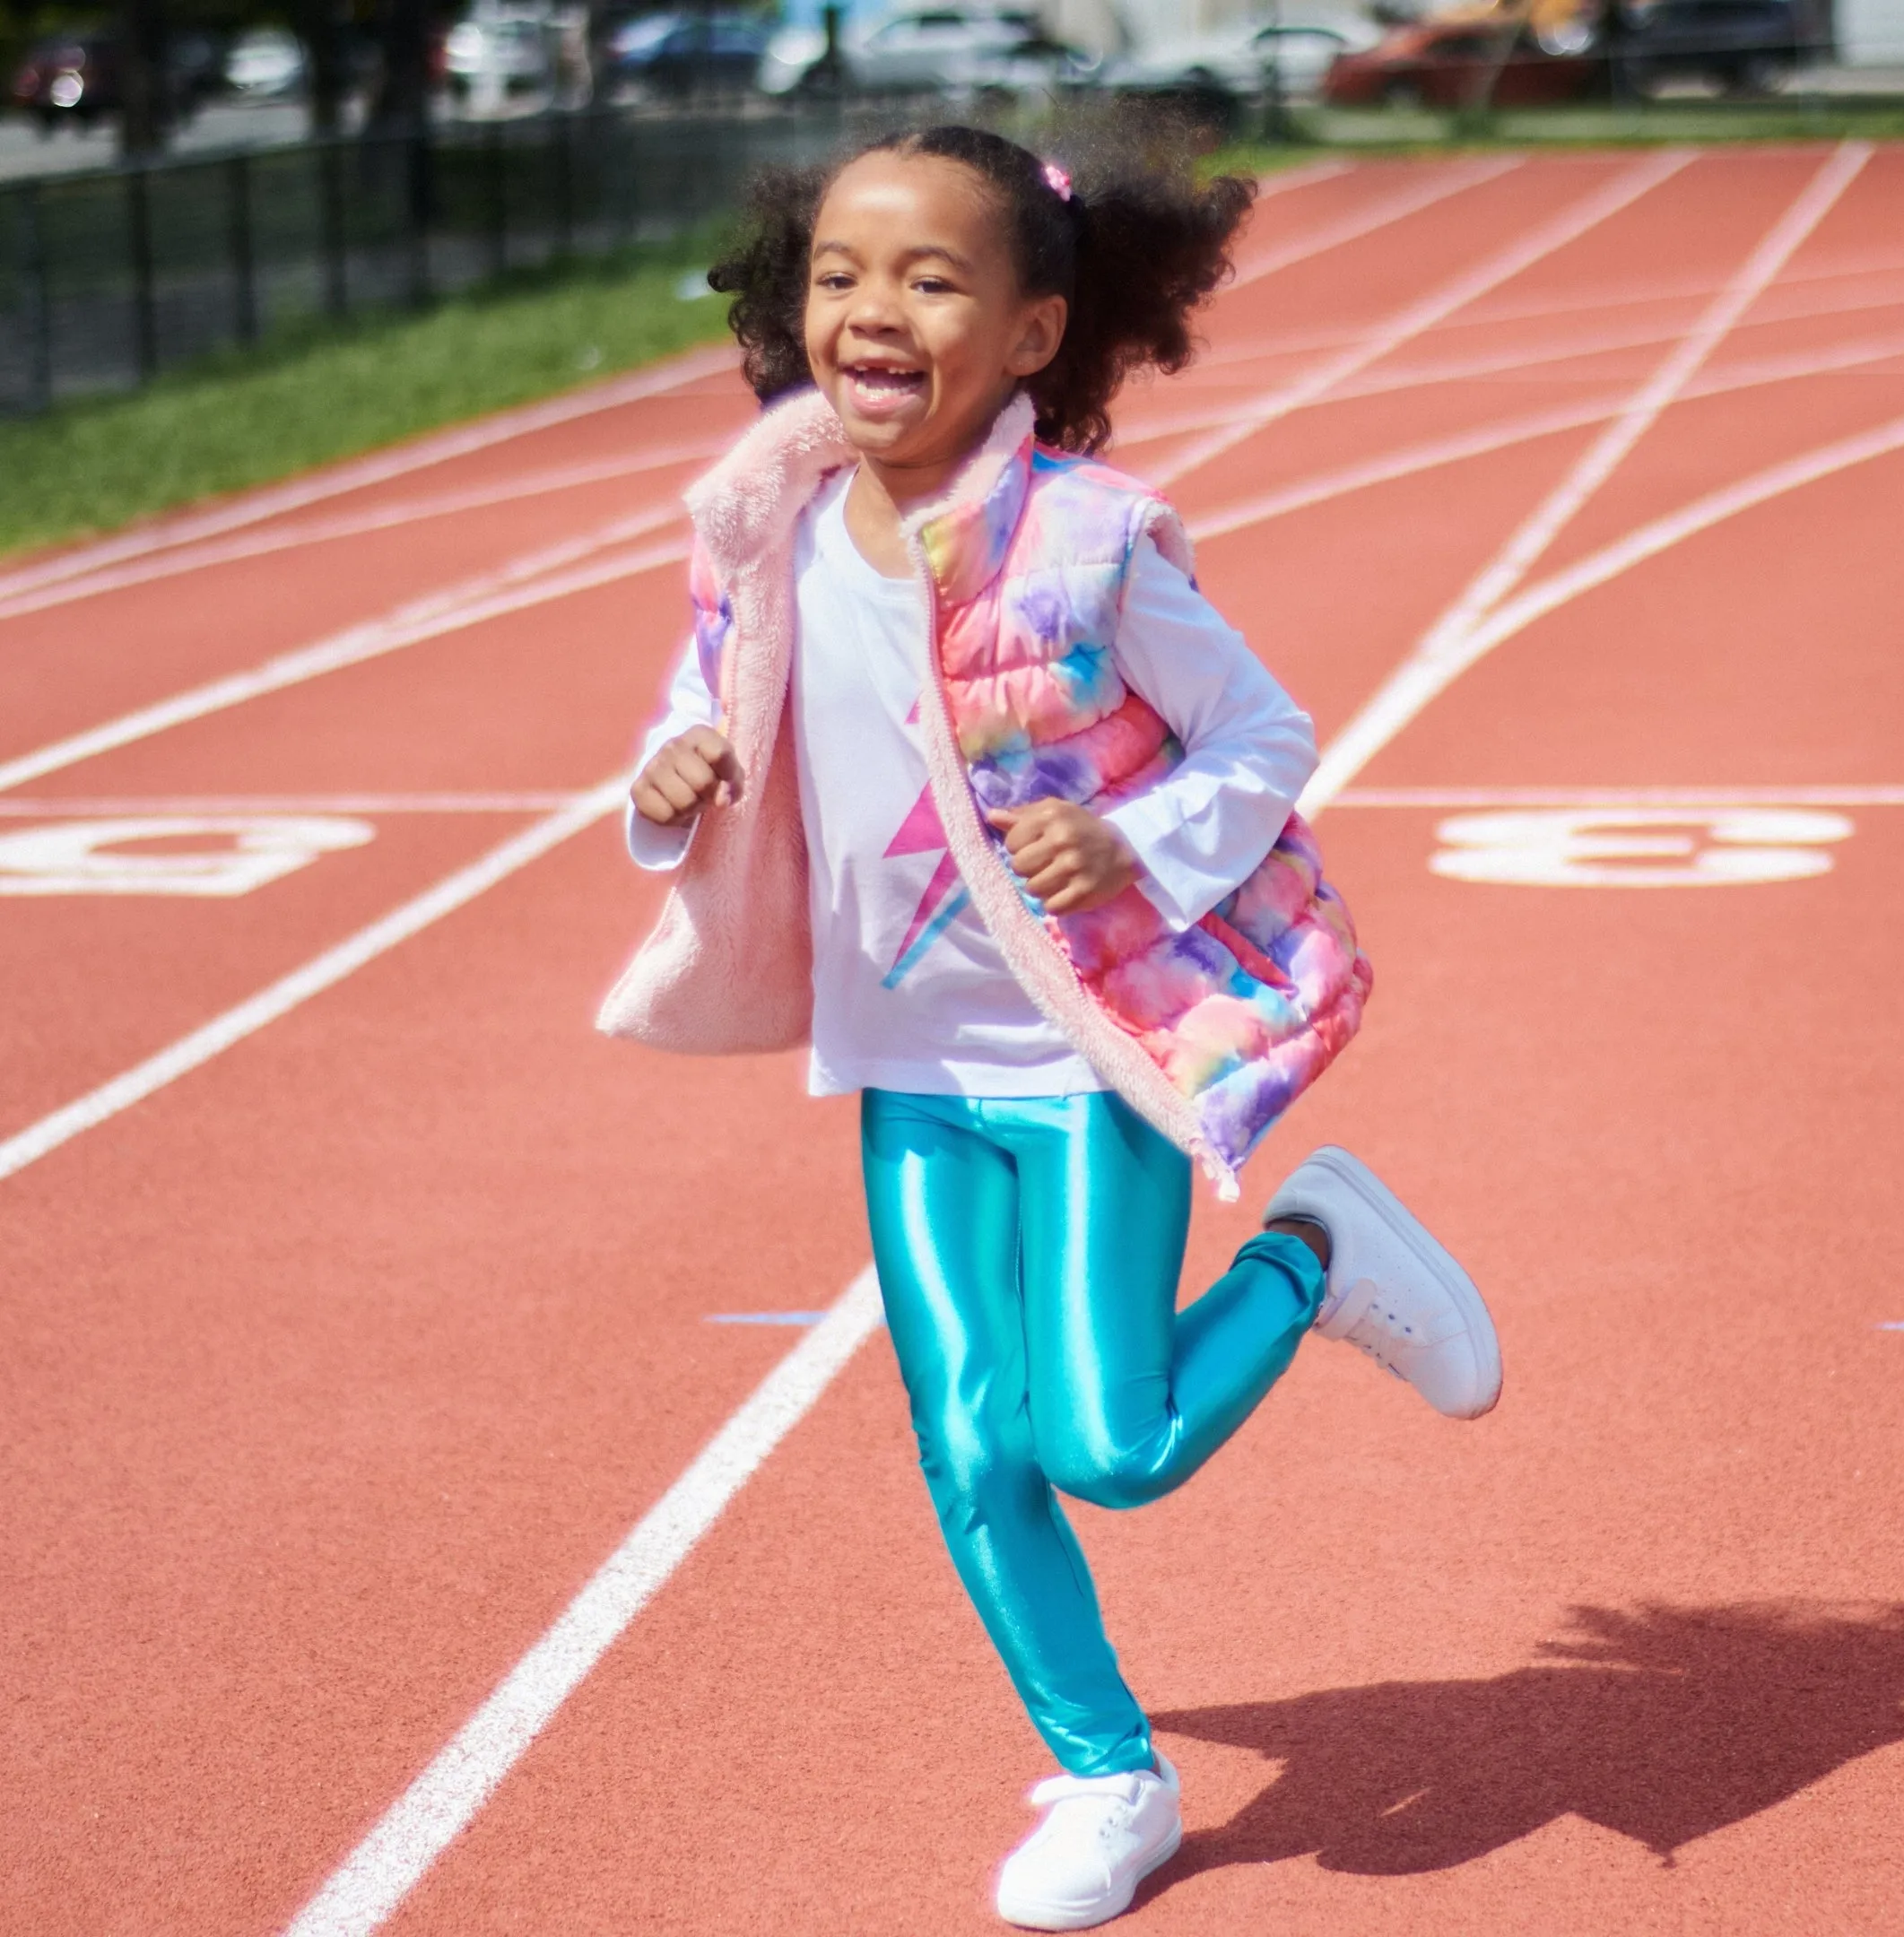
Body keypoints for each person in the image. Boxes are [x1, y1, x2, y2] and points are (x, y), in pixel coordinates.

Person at [601, 124, 1503, 1931]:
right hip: (906, 1070)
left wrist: (1134, 834)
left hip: (1084, 1064)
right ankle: (1109, 1774)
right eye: (842, 273)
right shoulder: (758, 526)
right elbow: (699, 705)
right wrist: (667, 777)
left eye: (931, 278)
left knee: (1111, 1442)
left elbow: (1265, 739)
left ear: (1028, 335)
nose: (871, 308)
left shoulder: (1088, 548)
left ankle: (1312, 1255)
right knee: (971, 1446)